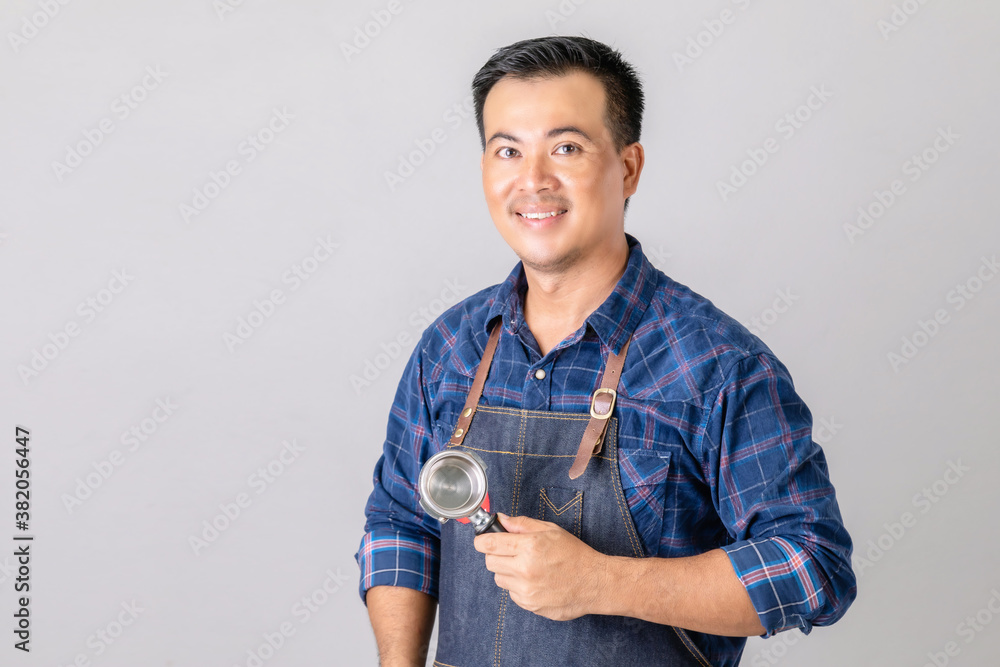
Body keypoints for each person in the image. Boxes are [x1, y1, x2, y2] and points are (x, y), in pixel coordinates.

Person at [355, 35, 857, 667]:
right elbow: (399, 522)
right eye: (508, 150)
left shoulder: (715, 365)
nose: (533, 180)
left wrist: (602, 582)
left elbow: (812, 566)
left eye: (566, 147)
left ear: (628, 168)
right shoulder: (450, 348)